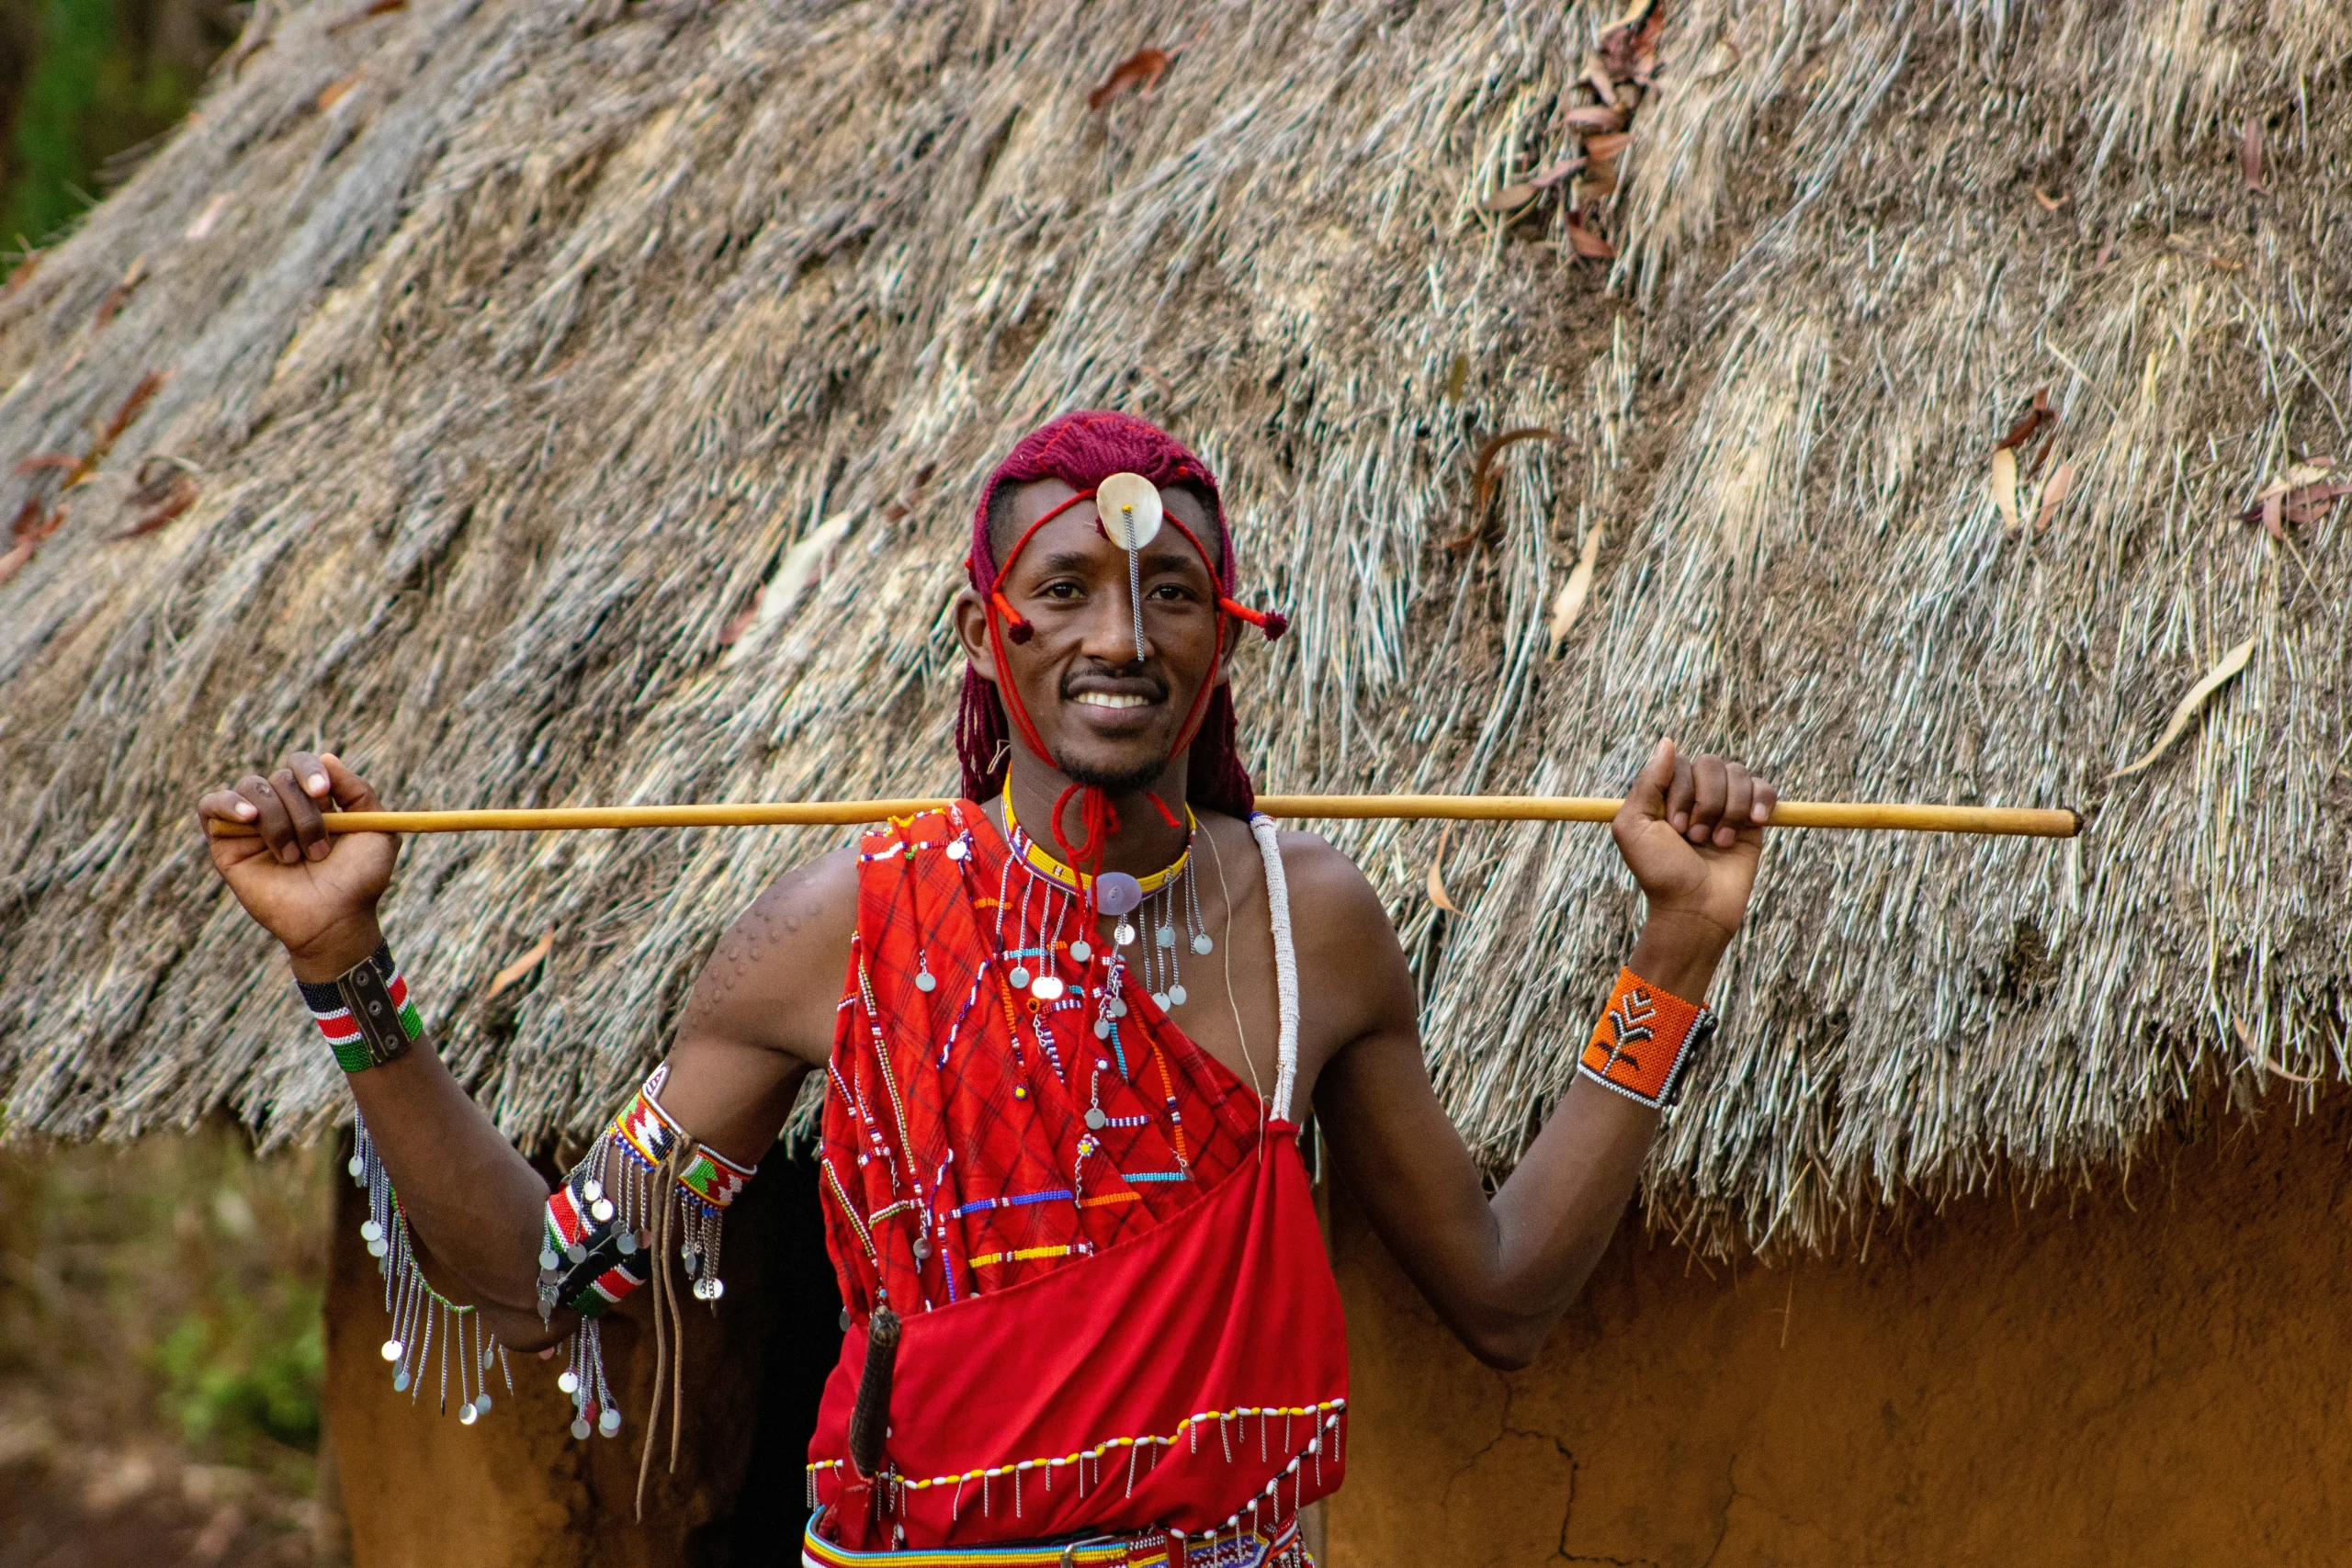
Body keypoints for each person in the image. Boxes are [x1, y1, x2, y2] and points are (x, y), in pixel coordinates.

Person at [197, 412, 1780, 1566]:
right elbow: (552, 1282)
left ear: (1224, 638)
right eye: (1068, 586)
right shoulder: (842, 930)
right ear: (984, 630)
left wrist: (1675, 952)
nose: (1121, 635)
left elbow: (1503, 1293)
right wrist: (344, 965)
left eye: (1170, 595)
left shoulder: (1314, 928)